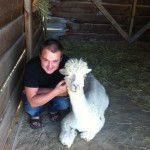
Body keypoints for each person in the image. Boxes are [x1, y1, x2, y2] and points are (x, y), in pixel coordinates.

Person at [22, 39, 70, 129]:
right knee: (31, 109)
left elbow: (67, 92)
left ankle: (53, 109)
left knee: (64, 104)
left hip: (46, 94)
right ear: (40, 57)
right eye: (46, 60)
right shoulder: (31, 66)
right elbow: (32, 102)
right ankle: (35, 115)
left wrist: (39, 91)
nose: (50, 65)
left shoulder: (68, 65)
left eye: (55, 61)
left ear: (61, 58)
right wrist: (57, 91)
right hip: (51, 94)